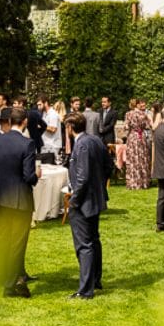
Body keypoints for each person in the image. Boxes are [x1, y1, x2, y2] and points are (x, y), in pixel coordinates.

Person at [0, 106, 39, 298]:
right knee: (17, 242)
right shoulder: (27, 144)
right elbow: (28, 176)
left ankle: (1, 276)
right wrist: (36, 176)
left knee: (4, 238)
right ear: (24, 122)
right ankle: (11, 285)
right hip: (19, 199)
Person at [64, 112, 111, 299]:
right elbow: (109, 166)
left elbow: (82, 178)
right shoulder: (96, 140)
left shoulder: (82, 144)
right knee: (93, 240)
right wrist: (99, 185)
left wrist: (74, 201)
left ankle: (85, 290)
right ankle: (95, 279)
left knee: (84, 245)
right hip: (95, 199)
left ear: (70, 127)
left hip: (84, 202)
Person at [123, 99, 152, 189]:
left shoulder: (128, 114)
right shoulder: (143, 114)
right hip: (141, 136)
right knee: (142, 158)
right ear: (137, 105)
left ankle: (133, 182)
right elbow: (148, 126)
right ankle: (143, 182)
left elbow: (126, 126)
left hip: (132, 137)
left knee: (132, 159)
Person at [37, 93, 61, 166]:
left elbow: (53, 129)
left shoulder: (53, 114)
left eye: (40, 104)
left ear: (46, 103)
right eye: (37, 105)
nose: (38, 107)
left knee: (50, 168)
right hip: (45, 145)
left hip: (52, 146)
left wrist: (41, 126)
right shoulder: (44, 113)